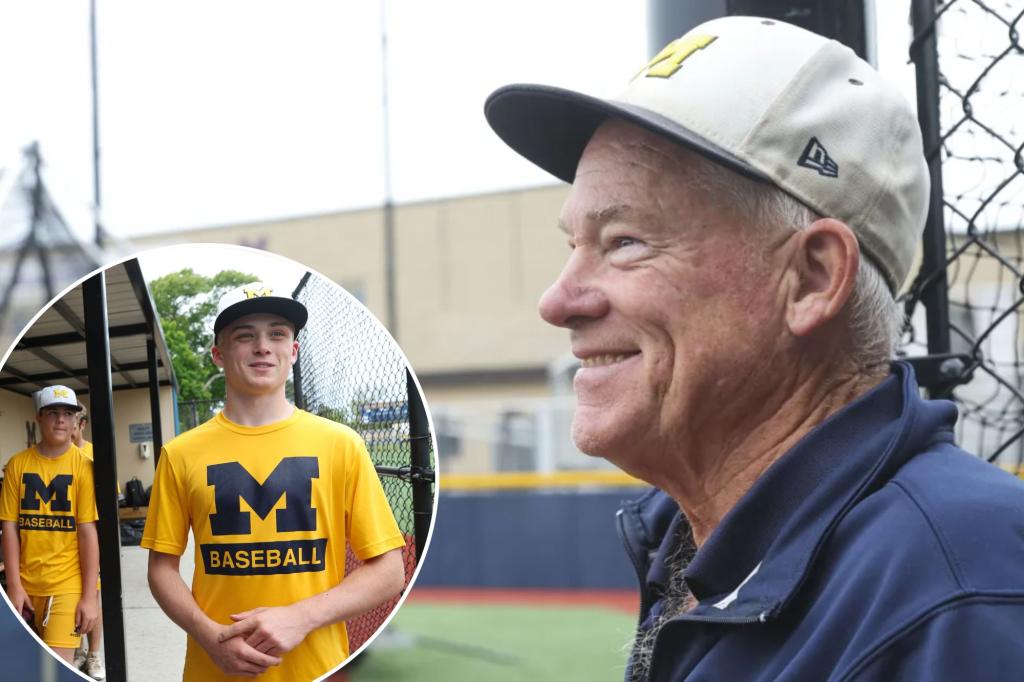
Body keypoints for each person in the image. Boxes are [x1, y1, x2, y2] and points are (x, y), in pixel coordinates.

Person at [485, 16, 1024, 681]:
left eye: (624, 242)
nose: (558, 301)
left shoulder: (964, 594)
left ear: (813, 278)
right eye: (575, 245)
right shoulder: (695, 543)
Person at [142, 282, 406, 681]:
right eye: (244, 336)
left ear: (293, 351)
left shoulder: (341, 444)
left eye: (277, 334)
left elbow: (389, 570)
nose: (263, 347)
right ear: (218, 354)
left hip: (317, 667)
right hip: (214, 671)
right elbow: (161, 569)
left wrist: (302, 616)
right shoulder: (181, 454)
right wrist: (209, 635)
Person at [0, 385, 99, 667]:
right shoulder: (17, 465)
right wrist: (14, 586)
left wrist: (89, 597)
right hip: (25, 584)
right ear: (39, 417)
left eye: (68, 413)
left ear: (76, 420)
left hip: (66, 584)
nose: (61, 420)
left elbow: (87, 532)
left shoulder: (84, 466)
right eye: (53, 413)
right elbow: (9, 527)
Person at [69, 406, 106, 680]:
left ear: (82, 424)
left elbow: (108, 503)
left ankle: (93, 654)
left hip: (90, 539)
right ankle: (78, 650)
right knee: (71, 599)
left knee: (92, 595)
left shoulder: (94, 455)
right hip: (63, 543)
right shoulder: (55, 455)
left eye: (72, 421)